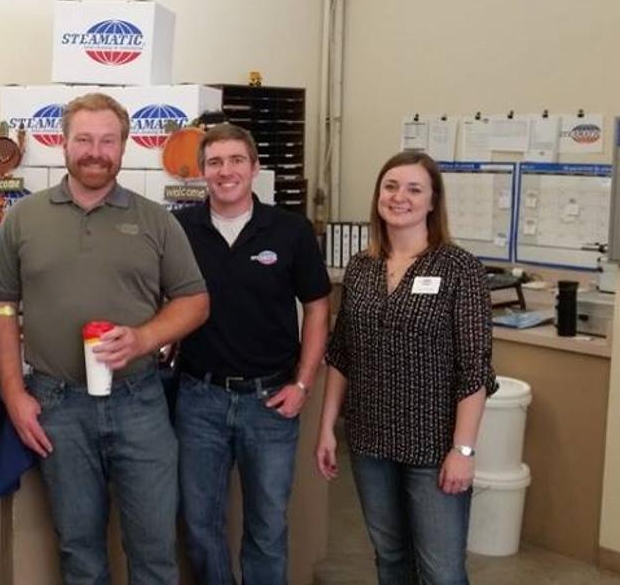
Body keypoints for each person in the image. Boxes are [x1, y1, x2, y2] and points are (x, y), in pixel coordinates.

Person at [0, 91, 209, 584]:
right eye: (84, 139)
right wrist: (13, 393)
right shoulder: (23, 219)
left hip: (140, 402)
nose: (95, 152)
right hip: (57, 405)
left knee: (154, 552)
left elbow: (195, 301)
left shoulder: (156, 220)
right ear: (63, 144)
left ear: (124, 147)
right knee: (80, 552)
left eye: (108, 141)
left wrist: (144, 338)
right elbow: (2, 307)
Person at [315, 151, 497, 585]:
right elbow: (342, 354)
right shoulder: (361, 267)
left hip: (433, 446)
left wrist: (463, 451)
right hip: (369, 440)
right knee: (391, 558)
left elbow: (475, 369)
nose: (400, 197)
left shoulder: (460, 269)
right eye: (391, 186)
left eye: (415, 189)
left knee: (441, 571)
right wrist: (326, 429)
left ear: (433, 202)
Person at [173, 123, 330, 584]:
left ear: (255, 168)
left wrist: (303, 384)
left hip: (271, 402)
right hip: (199, 399)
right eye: (215, 162)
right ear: (201, 171)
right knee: (200, 526)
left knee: (267, 527)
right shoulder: (179, 228)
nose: (226, 171)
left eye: (236, 160)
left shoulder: (290, 231)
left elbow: (318, 308)